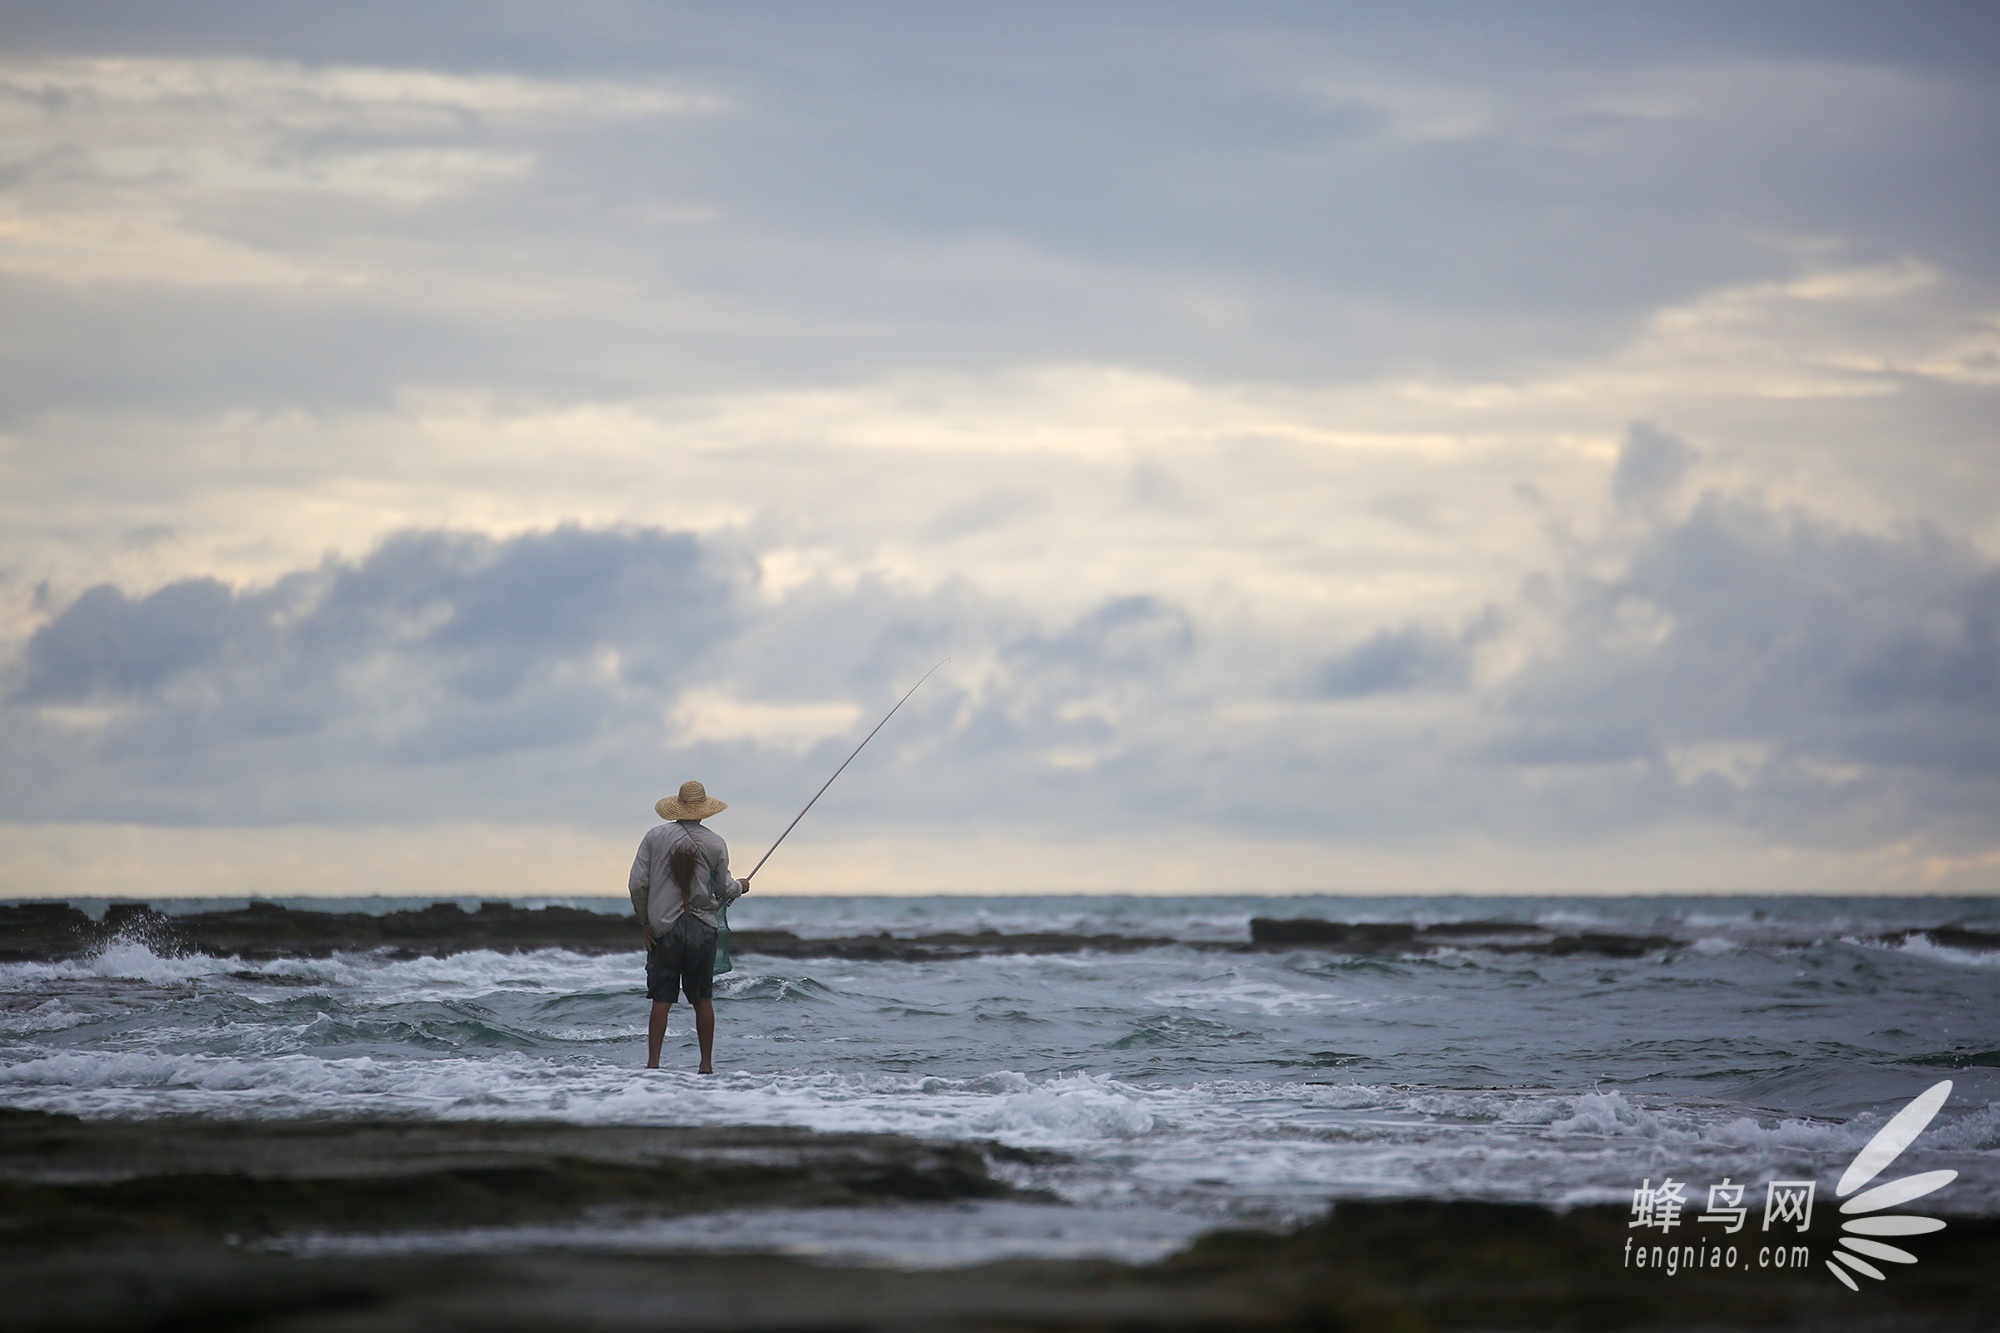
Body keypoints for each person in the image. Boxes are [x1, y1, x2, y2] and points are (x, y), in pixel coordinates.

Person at [630, 780, 749, 1073]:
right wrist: (741, 887)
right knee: (702, 998)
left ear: (677, 807)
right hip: (701, 929)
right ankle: (706, 1065)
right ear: (704, 811)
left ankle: (653, 1064)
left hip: (663, 929)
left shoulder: (654, 837)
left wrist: (645, 923)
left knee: (661, 999)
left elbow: (637, 884)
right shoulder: (715, 843)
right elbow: (723, 889)